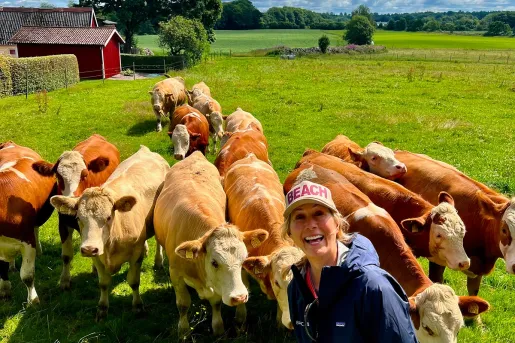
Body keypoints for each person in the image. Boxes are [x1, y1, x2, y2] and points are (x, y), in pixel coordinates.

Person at [284, 180, 418, 343]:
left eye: (319, 213)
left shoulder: (374, 287)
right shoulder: (296, 287)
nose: (310, 224)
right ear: (289, 232)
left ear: (337, 223)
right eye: (299, 217)